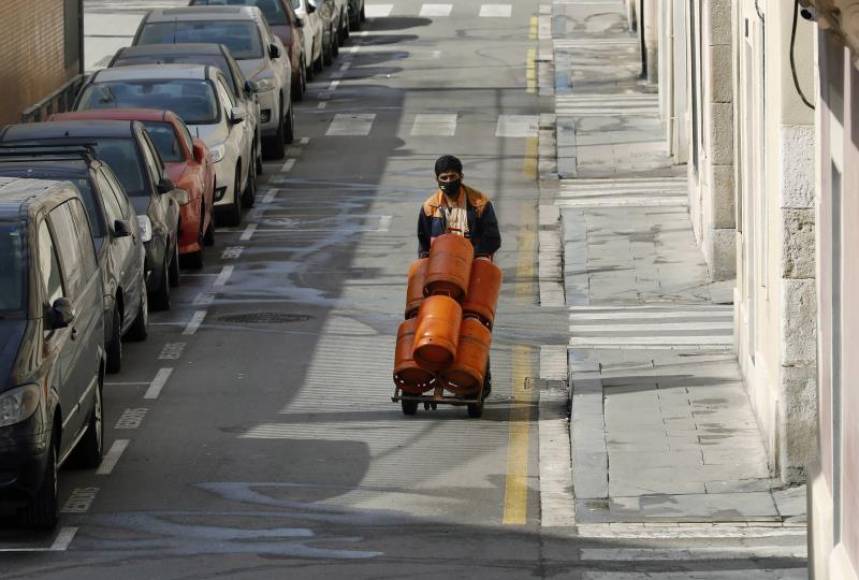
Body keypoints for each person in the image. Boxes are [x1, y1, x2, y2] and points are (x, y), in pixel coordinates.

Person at [417, 154, 501, 399]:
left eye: (452, 177)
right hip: (440, 277)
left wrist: (468, 256)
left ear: (461, 176)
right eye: (444, 178)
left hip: (473, 273)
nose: (448, 181)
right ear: (436, 179)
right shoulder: (430, 207)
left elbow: (493, 239)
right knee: (437, 322)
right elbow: (423, 244)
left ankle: (479, 376)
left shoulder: (479, 204)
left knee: (473, 325)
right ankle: (433, 370)